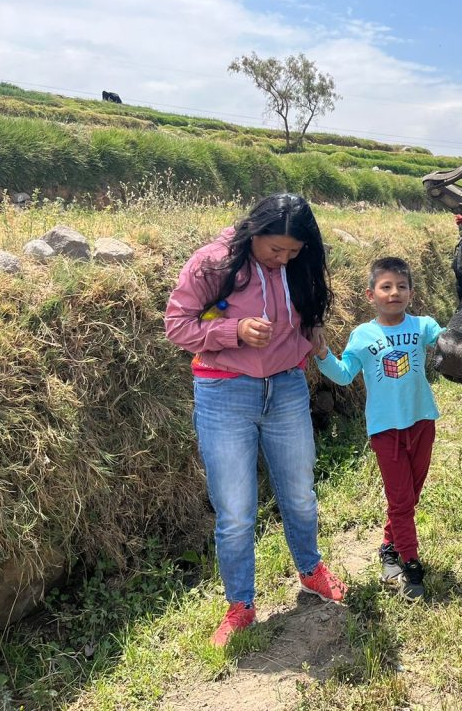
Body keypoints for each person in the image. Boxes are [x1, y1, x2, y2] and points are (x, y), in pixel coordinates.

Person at [165, 192, 347, 647]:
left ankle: (311, 571)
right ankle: (240, 605)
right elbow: (176, 325)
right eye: (275, 250)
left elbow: (304, 315)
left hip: (285, 388)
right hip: (224, 392)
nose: (283, 258)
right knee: (236, 511)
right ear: (254, 232)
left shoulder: (298, 267)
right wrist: (233, 332)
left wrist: (310, 334)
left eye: (293, 251)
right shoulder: (215, 263)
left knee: (301, 494)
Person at [315, 256, 443, 601]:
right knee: (401, 500)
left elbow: (448, 342)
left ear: (411, 293)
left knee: (409, 496)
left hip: (422, 421)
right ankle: (412, 566)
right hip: (385, 429)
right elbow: (342, 374)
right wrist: (323, 353)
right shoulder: (363, 334)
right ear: (371, 294)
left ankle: (389, 545)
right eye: (386, 286)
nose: (394, 292)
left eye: (402, 286)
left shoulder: (423, 326)